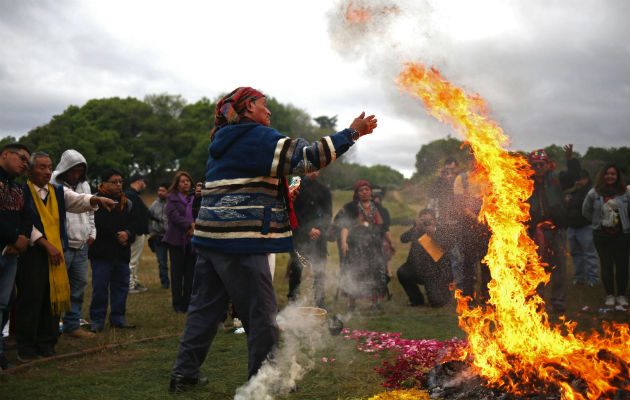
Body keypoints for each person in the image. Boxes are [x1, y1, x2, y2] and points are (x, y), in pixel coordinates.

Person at [170, 86, 377, 392]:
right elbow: (310, 158)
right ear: (248, 108)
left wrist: (281, 193)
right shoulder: (257, 136)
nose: (268, 111)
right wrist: (352, 133)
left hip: (210, 240)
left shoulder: (223, 142)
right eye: (263, 105)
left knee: (204, 310)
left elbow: (241, 187)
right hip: (240, 242)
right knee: (261, 314)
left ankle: (183, 374)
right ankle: (265, 380)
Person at [16, 152, 115, 361]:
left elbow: (78, 201)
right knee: (32, 298)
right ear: (30, 169)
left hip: (56, 253)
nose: (46, 171)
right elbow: (25, 222)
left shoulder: (58, 192)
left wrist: (97, 198)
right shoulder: (22, 192)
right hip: (34, 254)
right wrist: (46, 244)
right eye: (41, 167)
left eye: (49, 167)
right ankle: (26, 348)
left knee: (53, 297)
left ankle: (47, 344)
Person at [526, 146, 579, 313]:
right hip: (535, 231)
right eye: (535, 165)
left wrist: (570, 160)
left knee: (559, 265)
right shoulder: (525, 183)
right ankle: (537, 299)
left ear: (549, 164)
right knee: (536, 266)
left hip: (556, 230)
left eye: (542, 164)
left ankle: (558, 300)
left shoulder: (556, 179)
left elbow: (573, 177)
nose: (539, 167)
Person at [51, 149, 97, 339]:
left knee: (78, 286)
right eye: (73, 170)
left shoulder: (84, 184)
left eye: (80, 171)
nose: (76, 174)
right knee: (57, 288)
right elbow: (74, 201)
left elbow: (89, 212)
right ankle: (51, 327)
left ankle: (72, 324)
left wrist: (92, 231)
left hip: (81, 244)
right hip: (62, 243)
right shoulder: (53, 182)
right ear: (65, 168)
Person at [88, 168, 137, 332]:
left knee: (121, 287)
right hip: (101, 253)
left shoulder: (127, 203)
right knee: (100, 289)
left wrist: (127, 234)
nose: (118, 185)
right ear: (103, 184)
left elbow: (134, 225)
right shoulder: (94, 201)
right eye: (114, 182)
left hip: (121, 253)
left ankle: (118, 318)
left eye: (120, 181)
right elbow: (94, 225)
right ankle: (97, 320)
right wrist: (117, 235)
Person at [0, 143, 32, 370]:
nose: (24, 164)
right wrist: (14, 238)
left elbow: (27, 216)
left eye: (26, 161)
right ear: (4, 155)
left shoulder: (19, 188)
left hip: (12, 254)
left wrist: (22, 238)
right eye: (21, 158)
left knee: (3, 304)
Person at [337, 179, 392, 310]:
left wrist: (390, 242)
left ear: (371, 191)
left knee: (375, 274)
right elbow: (345, 227)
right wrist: (344, 242)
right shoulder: (351, 207)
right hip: (356, 246)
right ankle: (352, 303)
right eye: (361, 190)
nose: (365, 192)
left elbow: (384, 229)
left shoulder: (379, 208)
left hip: (374, 246)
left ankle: (375, 303)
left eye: (367, 189)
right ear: (357, 193)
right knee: (355, 273)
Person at [582, 164, 629, 307]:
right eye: (607, 173)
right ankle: (609, 294)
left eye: (613, 174)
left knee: (622, 265)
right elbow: (586, 211)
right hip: (602, 236)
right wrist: (597, 222)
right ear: (602, 175)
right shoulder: (594, 193)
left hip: (622, 235)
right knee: (606, 265)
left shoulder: (625, 193)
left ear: (617, 176)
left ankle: (621, 295)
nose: (610, 176)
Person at [286, 171, 332, 308]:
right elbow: (292, 210)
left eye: (317, 169)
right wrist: (307, 229)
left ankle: (319, 301)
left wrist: (319, 229)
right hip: (300, 235)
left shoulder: (324, 190)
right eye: (311, 168)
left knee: (320, 269)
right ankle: (293, 300)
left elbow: (328, 213)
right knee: (296, 268)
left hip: (319, 236)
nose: (314, 172)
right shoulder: (295, 186)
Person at [397, 209, 453, 307]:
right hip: (417, 269)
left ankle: (444, 293)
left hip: (436, 272)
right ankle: (416, 299)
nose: (426, 223)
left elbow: (446, 246)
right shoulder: (417, 230)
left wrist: (432, 234)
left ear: (435, 220)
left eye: (429, 220)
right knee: (402, 272)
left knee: (437, 303)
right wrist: (416, 228)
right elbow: (403, 239)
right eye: (424, 221)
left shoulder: (441, 230)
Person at [453, 168, 491, 303]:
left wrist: (486, 218)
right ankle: (468, 296)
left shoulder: (492, 175)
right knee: (468, 263)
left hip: (488, 226)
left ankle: (487, 296)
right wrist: (476, 218)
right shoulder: (462, 178)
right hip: (468, 227)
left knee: (487, 264)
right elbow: (459, 204)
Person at [163, 171, 196, 313]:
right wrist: (189, 226)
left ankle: (187, 303)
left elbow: (199, 212)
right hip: (176, 240)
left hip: (192, 240)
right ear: (177, 184)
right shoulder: (171, 198)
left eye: (188, 180)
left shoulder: (195, 198)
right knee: (177, 273)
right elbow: (173, 216)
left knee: (190, 273)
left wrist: (194, 227)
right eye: (182, 181)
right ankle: (177, 304)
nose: (186, 183)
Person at [565, 169, 599, 287]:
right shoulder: (573, 191)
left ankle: (593, 279)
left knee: (589, 254)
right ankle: (579, 278)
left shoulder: (591, 192)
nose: (578, 181)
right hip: (572, 227)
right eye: (576, 179)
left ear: (587, 179)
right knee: (575, 254)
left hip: (586, 227)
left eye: (581, 179)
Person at [125, 173, 149, 293]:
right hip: (135, 233)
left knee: (135, 260)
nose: (145, 185)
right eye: (144, 182)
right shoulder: (130, 195)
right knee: (132, 259)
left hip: (137, 232)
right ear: (139, 181)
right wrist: (134, 231)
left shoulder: (133, 195)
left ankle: (133, 281)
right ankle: (129, 284)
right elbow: (133, 216)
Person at [149, 183, 170, 289]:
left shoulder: (173, 204)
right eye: (159, 190)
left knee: (176, 262)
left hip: (172, 237)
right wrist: (151, 232)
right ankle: (165, 283)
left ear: (169, 192)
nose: (159, 192)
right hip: (158, 237)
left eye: (163, 190)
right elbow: (148, 219)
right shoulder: (153, 205)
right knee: (162, 262)